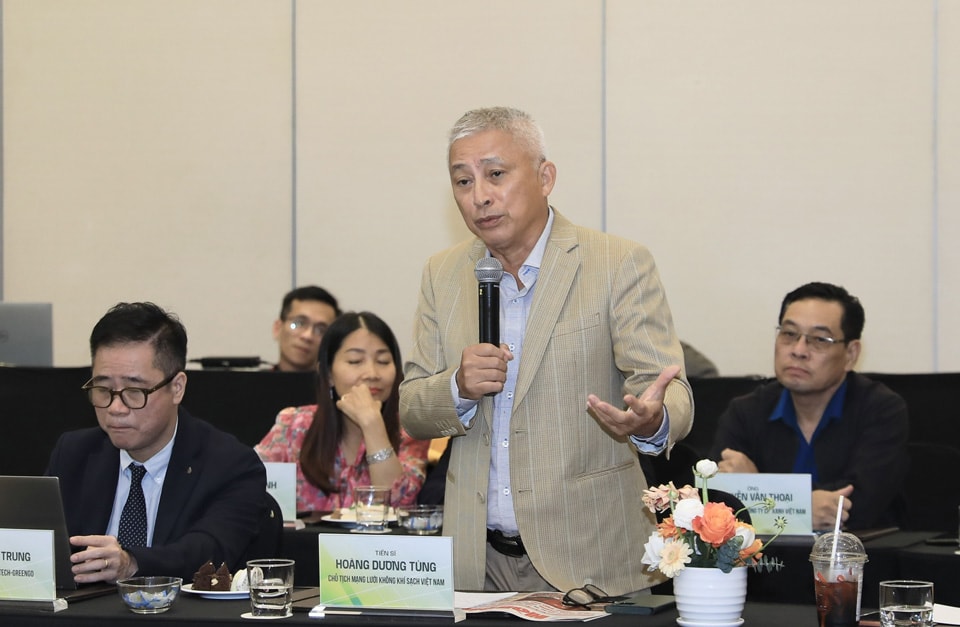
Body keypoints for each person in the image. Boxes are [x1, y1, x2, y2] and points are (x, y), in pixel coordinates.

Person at [399, 106, 693, 595]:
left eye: (496, 174)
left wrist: (651, 420)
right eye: (463, 181)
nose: (480, 196)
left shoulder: (617, 263)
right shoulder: (442, 274)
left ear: (545, 177)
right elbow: (411, 407)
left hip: (589, 561)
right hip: (477, 563)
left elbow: (668, 389)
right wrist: (457, 388)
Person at [45, 302, 267, 584]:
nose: (115, 408)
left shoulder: (230, 465)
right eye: (103, 389)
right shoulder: (74, 453)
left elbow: (209, 552)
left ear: (177, 388)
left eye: (134, 391)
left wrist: (131, 564)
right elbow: (39, 546)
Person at [709, 282, 908, 530]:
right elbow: (715, 503)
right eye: (789, 334)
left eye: (819, 339)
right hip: (765, 555)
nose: (799, 350)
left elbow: (860, 507)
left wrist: (756, 489)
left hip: (859, 552)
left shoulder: (881, 410)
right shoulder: (745, 412)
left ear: (851, 354)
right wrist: (804, 508)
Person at [256, 311, 430, 512]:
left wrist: (372, 425)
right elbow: (247, 483)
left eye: (383, 361)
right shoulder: (294, 425)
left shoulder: (411, 428)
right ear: (328, 374)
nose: (372, 374)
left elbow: (398, 506)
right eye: (355, 361)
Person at [272, 285, 341, 372]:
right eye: (298, 324)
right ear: (277, 328)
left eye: (321, 330)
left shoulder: (336, 381)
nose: (307, 336)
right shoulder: (256, 380)